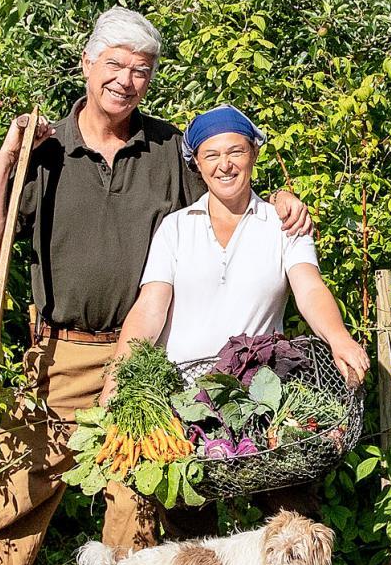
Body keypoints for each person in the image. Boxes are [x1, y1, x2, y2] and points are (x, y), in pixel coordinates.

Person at [0, 9, 313, 565]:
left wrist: (282, 197)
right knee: (15, 491)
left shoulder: (167, 151)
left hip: (147, 359)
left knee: (138, 500)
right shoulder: (46, 150)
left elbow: (230, 190)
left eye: (141, 70)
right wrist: (8, 155)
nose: (127, 80)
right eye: (116, 65)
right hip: (61, 353)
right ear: (88, 64)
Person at [118, 106, 370, 386]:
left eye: (236, 152)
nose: (224, 165)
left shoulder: (285, 224)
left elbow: (310, 288)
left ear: (254, 153)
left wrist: (338, 337)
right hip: (178, 392)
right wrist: (117, 380)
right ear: (197, 163)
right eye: (211, 155)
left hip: (255, 396)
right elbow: (149, 309)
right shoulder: (176, 227)